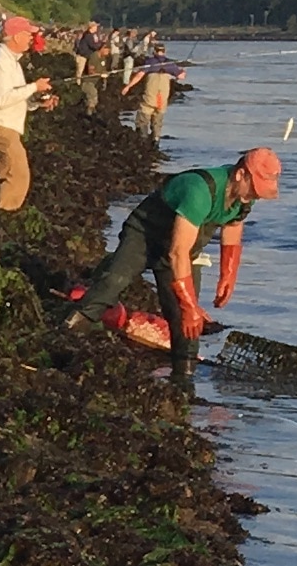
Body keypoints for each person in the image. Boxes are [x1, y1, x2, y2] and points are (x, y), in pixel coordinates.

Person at [73, 144, 282, 388]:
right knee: (113, 282)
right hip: (145, 234)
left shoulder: (244, 196)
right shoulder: (199, 190)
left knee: (185, 323)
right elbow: (177, 252)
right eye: (255, 188)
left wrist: (228, 275)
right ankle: (70, 331)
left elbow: (233, 225)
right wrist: (191, 304)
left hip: (183, 249)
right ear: (240, 174)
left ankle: (184, 381)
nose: (256, 196)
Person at [0, 12, 54, 217]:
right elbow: (3, 99)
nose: (31, 39)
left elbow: (16, 99)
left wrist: (37, 102)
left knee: (0, 177)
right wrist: (34, 86)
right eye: (28, 34)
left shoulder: (12, 62)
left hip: (5, 125)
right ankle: (6, 219)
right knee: (18, 175)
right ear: (16, 36)